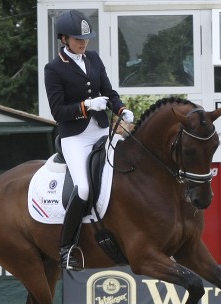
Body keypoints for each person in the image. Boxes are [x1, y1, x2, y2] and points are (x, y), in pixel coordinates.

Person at [44, 9, 134, 271]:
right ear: (64, 39)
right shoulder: (53, 68)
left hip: (102, 130)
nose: (83, 43)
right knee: (83, 188)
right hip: (76, 137)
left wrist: (121, 109)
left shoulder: (93, 58)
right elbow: (58, 111)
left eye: (86, 38)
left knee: (128, 170)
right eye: (77, 39)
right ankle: (66, 248)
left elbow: (108, 91)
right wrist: (86, 105)